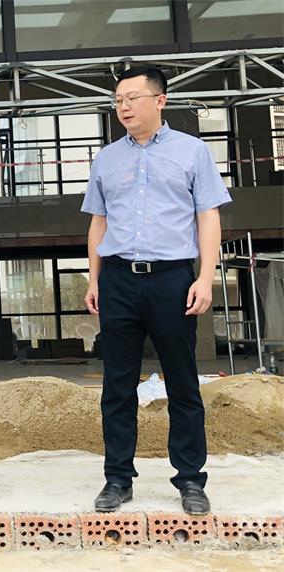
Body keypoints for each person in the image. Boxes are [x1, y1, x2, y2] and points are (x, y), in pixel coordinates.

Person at [81, 67, 232, 515]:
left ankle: (190, 480)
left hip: (172, 280)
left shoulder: (193, 151)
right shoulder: (106, 158)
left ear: (160, 100)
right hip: (118, 279)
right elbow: (98, 222)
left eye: (132, 98)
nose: (123, 107)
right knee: (117, 385)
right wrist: (94, 279)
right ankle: (117, 479)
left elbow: (208, 217)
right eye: (118, 101)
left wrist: (204, 277)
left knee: (182, 383)